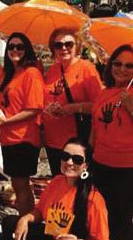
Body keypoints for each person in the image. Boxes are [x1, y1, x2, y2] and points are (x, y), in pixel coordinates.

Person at [2, 138, 109, 240]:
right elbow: (39, 212)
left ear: (86, 166)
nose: (69, 162)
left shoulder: (93, 199)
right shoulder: (57, 182)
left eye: (77, 159)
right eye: (65, 156)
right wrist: (25, 218)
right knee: (10, 223)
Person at [91, 44, 133, 240]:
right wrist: (88, 155)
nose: (122, 69)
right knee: (102, 219)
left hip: (126, 167)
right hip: (100, 163)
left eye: (129, 65)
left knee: (121, 223)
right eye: (118, 63)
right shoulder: (105, 92)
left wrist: (130, 105)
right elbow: (96, 127)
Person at [0, 32, 44, 215]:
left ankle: (26, 226)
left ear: (27, 50)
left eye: (19, 47)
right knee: (17, 183)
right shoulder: (12, 73)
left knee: (21, 183)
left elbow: (34, 109)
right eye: (11, 47)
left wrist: (7, 120)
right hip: (9, 137)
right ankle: (25, 223)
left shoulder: (32, 73)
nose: (15, 50)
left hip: (24, 138)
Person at [43, 27, 102, 176]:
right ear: (53, 49)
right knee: (59, 184)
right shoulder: (52, 70)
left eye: (68, 44)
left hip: (76, 143)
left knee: (76, 186)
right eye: (58, 45)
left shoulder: (86, 69)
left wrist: (74, 108)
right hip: (52, 140)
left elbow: (100, 105)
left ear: (77, 46)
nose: (64, 48)